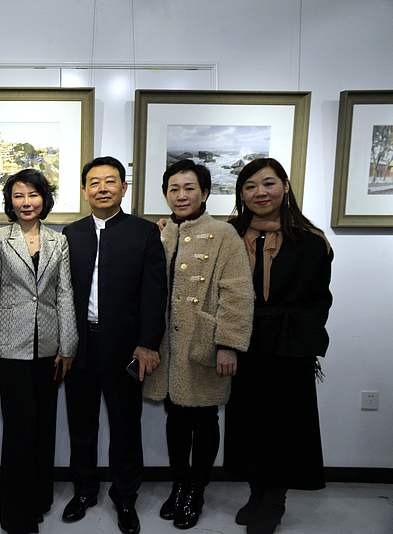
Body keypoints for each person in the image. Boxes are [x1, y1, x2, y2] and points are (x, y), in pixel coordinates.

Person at [142, 159, 254, 530]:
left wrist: (228, 344)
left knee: (204, 418)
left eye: (189, 188)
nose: (181, 195)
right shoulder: (160, 232)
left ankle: (196, 490)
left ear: (205, 193)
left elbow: (237, 293)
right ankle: (179, 484)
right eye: (174, 189)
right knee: (175, 417)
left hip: (203, 342)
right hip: (167, 345)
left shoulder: (223, 235)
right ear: (165, 194)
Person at [223, 158, 333, 534]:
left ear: (285, 186)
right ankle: (256, 491)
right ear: (242, 194)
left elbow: (320, 298)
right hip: (244, 340)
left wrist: (305, 333)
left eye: (268, 183)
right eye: (250, 186)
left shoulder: (310, 239)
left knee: (286, 425)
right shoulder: (231, 235)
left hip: (290, 342)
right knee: (248, 422)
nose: (260, 193)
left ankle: (275, 498)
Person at [61, 156, 167, 534]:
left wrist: (148, 344)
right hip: (79, 346)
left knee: (125, 427)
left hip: (125, 348)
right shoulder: (69, 234)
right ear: (85, 190)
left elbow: (155, 295)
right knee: (81, 425)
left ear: (124, 188)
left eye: (110, 181)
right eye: (94, 182)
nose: (102, 188)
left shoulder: (143, 232)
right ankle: (85, 490)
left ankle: (125, 499)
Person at [0, 169, 78, 534]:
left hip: (50, 347)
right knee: (20, 428)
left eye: (33, 195)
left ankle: (39, 498)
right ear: (10, 201)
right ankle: (16, 515)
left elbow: (64, 295)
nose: (26, 202)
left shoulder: (59, 241)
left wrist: (68, 345)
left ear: (44, 199)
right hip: (9, 347)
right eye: (18, 196)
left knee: (44, 426)